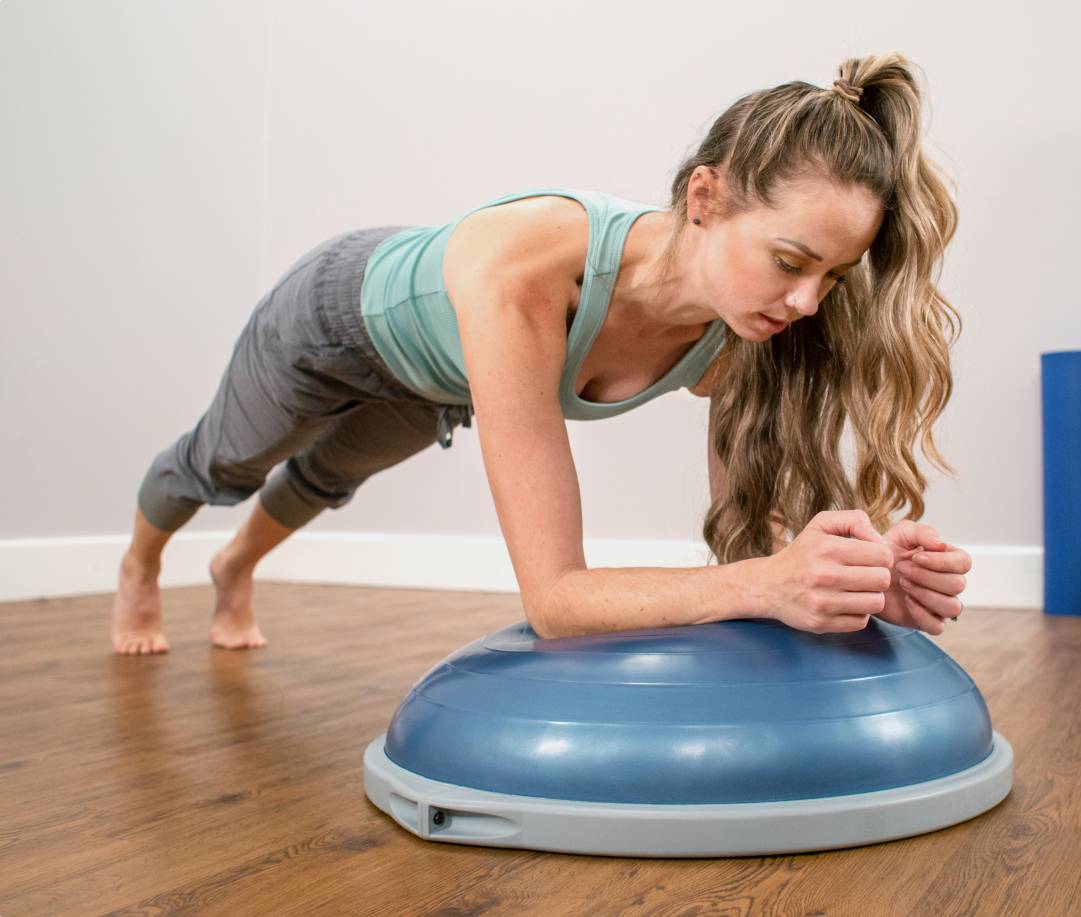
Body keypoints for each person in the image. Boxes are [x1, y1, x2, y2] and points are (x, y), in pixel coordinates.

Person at [110, 52, 972, 655]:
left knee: (325, 480)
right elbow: (555, 600)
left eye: (830, 274)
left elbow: (755, 554)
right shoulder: (528, 272)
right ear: (704, 197)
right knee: (224, 463)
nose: (806, 301)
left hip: (435, 381)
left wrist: (851, 585)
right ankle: (142, 561)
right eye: (790, 261)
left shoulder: (736, 335)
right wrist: (773, 583)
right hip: (332, 320)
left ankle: (234, 567)